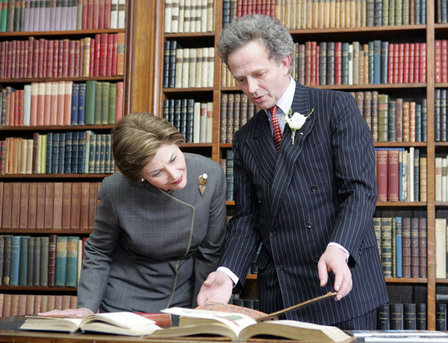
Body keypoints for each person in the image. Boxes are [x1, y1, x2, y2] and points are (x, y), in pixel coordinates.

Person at [197, 14, 388, 329]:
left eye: (259, 74)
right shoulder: (245, 138)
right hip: (281, 293)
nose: (252, 89)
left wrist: (339, 248)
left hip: (337, 282)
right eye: (241, 79)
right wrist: (227, 275)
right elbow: (247, 218)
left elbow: (360, 191)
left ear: (285, 62)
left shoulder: (335, 108)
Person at [41, 112, 226, 316]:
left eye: (173, 158)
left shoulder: (210, 173)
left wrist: (203, 310)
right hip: (125, 300)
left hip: (185, 294)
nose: (174, 175)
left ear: (176, 142)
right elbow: (99, 251)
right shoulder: (115, 190)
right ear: (139, 178)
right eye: (157, 173)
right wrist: (86, 308)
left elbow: (210, 251)